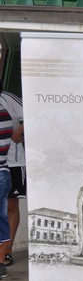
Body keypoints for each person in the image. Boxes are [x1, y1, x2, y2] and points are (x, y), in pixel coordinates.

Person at [0, 84, 23, 267]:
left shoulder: (7, 98)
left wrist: (19, 131)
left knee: (11, 204)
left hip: (13, 162)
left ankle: (7, 250)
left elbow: (34, 111)